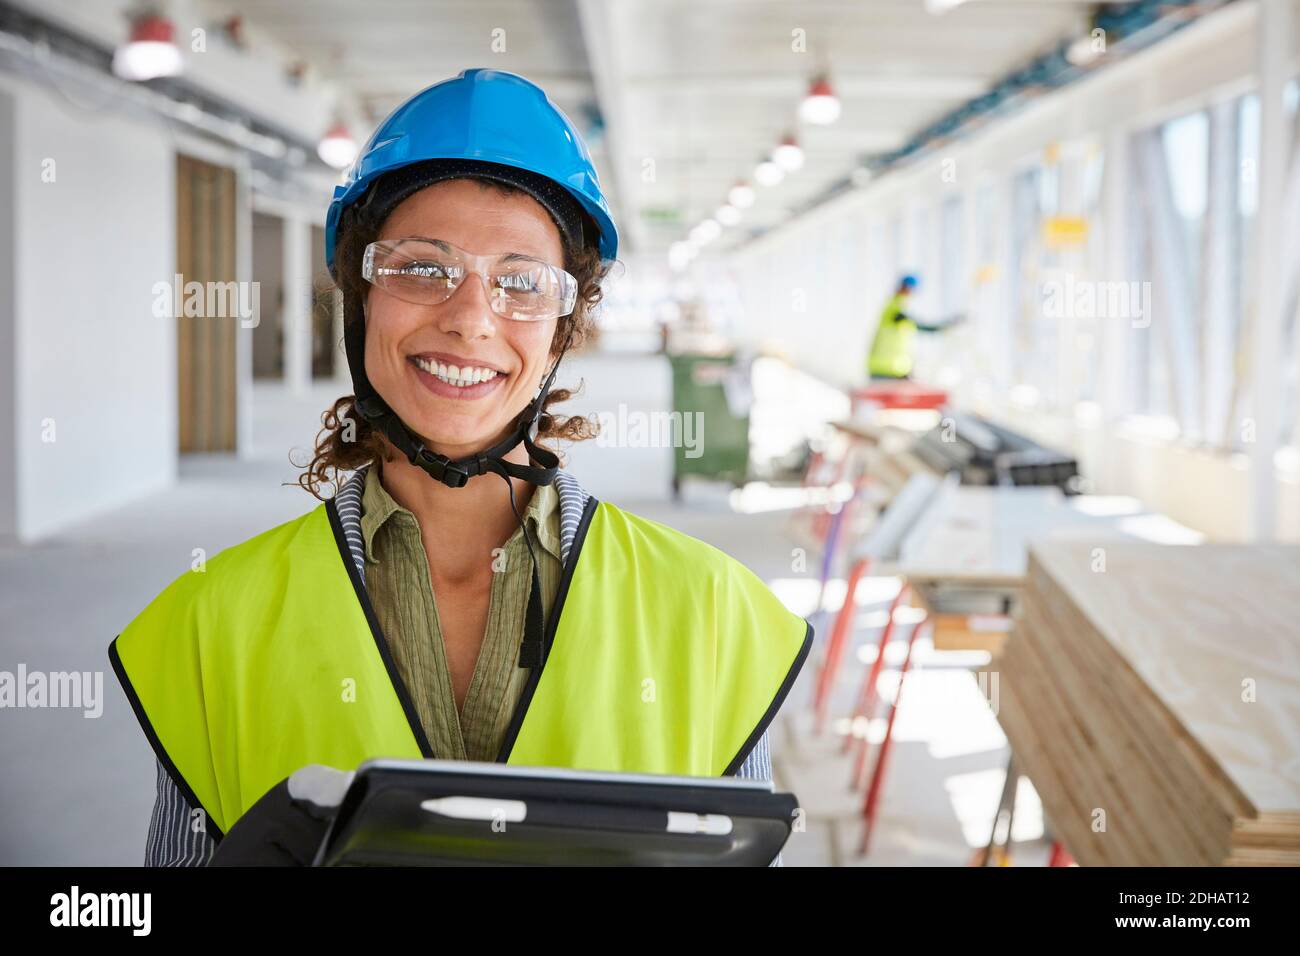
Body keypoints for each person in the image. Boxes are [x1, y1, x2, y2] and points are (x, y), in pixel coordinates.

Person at [109, 68, 812, 866]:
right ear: (359, 295)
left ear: (561, 328)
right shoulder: (212, 624)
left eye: (521, 282)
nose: (470, 318)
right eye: (420, 267)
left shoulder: (714, 615)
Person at [866, 274, 962, 380]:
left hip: (896, 370)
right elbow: (922, 327)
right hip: (885, 370)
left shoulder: (899, 306)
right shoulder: (896, 308)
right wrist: (947, 325)